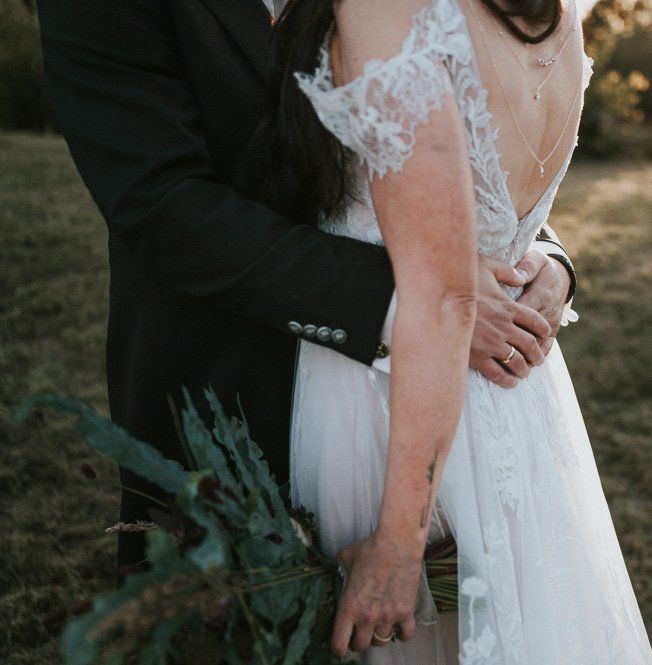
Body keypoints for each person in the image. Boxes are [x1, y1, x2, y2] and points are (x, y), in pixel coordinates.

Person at [35, 0, 576, 578]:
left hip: (455, 404)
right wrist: (421, 299)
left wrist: (541, 258)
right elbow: (162, 207)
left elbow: (448, 136)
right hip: (226, 384)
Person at [268, 0, 652, 662]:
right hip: (517, 397)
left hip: (392, 400)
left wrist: (398, 542)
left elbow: (445, 295)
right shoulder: (555, 11)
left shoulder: (388, 7)